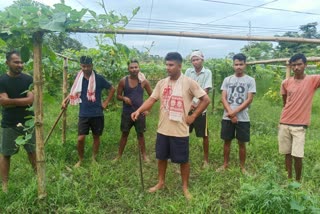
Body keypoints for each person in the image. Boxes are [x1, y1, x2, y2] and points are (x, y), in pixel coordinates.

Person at [131, 52, 210, 200]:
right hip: (163, 128)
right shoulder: (162, 83)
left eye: (171, 65)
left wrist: (193, 116)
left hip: (180, 129)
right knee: (161, 157)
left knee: (183, 160)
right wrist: (139, 110)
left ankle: (185, 187)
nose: (168, 68)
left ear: (179, 66)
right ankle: (161, 182)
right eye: (166, 64)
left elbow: (205, 99)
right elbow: (152, 99)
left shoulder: (189, 82)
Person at [62, 56, 115, 168]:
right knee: (80, 139)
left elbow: (112, 89)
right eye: (83, 66)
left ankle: (94, 158)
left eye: (88, 66)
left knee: (96, 137)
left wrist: (105, 103)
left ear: (92, 65)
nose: (85, 68)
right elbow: (74, 91)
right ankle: (80, 160)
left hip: (97, 113)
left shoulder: (99, 78)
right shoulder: (79, 78)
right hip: (84, 113)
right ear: (81, 66)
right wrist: (66, 100)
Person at [278, 53, 320, 182]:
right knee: (287, 154)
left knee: (298, 155)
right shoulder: (286, 82)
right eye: (294, 65)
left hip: (299, 126)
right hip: (285, 122)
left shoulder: (313, 80)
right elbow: (285, 103)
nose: (296, 67)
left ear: (305, 65)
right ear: (290, 66)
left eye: (299, 64)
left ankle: (297, 182)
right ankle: (289, 179)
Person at [0, 50, 36, 193]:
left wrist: (10, 101)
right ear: (7, 63)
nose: (20, 65)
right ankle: (4, 185)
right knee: (6, 154)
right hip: (9, 123)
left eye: (21, 62)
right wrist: (20, 102)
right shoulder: (2, 80)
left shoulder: (28, 79)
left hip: (28, 122)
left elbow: (31, 100)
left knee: (33, 152)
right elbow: (3, 103)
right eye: (16, 62)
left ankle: (37, 178)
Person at [216, 53, 256, 174]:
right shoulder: (227, 80)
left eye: (241, 64)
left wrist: (234, 112)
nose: (238, 67)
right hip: (227, 117)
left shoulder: (250, 80)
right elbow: (223, 97)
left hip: (243, 118)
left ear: (245, 65)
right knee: (227, 141)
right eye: (236, 64)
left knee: (241, 143)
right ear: (233, 65)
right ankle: (225, 164)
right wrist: (231, 113)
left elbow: (249, 99)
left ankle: (242, 167)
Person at [113, 60, 152, 162]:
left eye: (136, 67)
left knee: (140, 134)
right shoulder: (123, 81)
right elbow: (118, 96)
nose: (134, 69)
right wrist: (124, 98)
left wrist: (148, 109)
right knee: (124, 134)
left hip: (140, 112)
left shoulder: (144, 82)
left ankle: (144, 156)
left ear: (139, 68)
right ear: (128, 69)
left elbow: (152, 96)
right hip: (127, 113)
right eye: (132, 67)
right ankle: (119, 156)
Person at [185, 50, 212, 167]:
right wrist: (189, 103)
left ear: (202, 59)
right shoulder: (188, 71)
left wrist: (196, 103)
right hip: (188, 107)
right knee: (183, 133)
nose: (195, 62)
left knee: (204, 135)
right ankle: (183, 157)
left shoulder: (207, 72)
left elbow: (206, 90)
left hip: (201, 107)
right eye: (193, 60)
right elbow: (185, 87)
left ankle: (206, 160)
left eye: (197, 59)